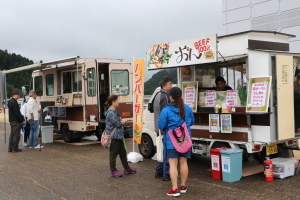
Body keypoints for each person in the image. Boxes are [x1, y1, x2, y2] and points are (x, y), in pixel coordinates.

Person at [158, 87, 195, 197]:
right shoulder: (187, 108)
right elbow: (192, 121)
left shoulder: (166, 110)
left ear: (170, 96)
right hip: (185, 139)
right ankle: (183, 186)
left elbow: (162, 125)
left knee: (173, 164)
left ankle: (175, 189)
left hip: (172, 141)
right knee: (183, 162)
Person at [104, 94, 136, 177]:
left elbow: (116, 121)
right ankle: (113, 171)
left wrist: (121, 121)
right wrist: (123, 122)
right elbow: (117, 123)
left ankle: (127, 168)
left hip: (119, 136)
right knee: (113, 154)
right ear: (113, 102)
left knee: (123, 153)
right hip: (114, 136)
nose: (118, 102)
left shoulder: (113, 111)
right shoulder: (111, 112)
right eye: (117, 100)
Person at [154, 76, 173, 181]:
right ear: (164, 86)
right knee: (165, 151)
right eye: (169, 84)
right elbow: (165, 113)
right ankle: (165, 173)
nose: (171, 86)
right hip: (163, 128)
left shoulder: (158, 94)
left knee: (160, 150)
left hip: (158, 127)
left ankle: (158, 171)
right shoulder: (165, 96)